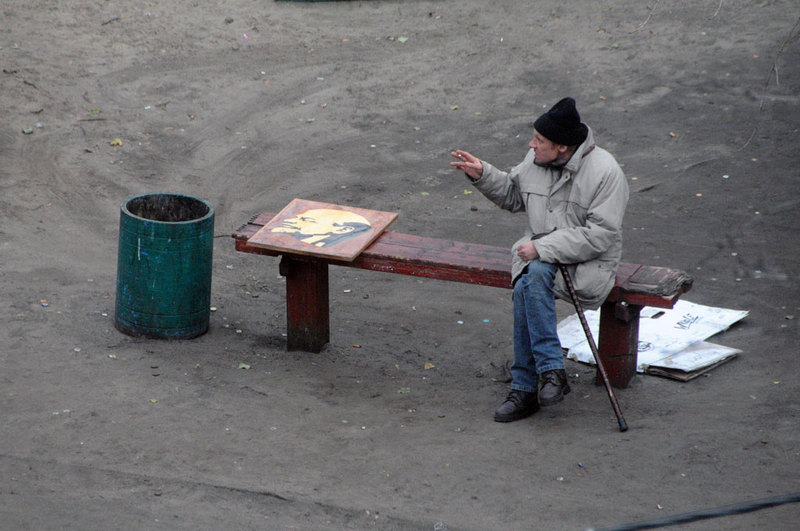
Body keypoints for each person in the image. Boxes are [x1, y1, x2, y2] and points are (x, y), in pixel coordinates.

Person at [450, 97, 629, 423]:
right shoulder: (536, 161)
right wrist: (482, 175)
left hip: (590, 264)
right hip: (541, 258)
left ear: (561, 147)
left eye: (539, 140)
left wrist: (543, 248)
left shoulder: (606, 173)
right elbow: (513, 195)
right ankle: (550, 373)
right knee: (531, 279)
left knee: (529, 280)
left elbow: (601, 237)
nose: (531, 144)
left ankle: (525, 387)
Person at [271, 208, 372, 247]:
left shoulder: (337, 246)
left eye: (305, 220)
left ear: (342, 229)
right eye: (297, 218)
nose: (289, 221)